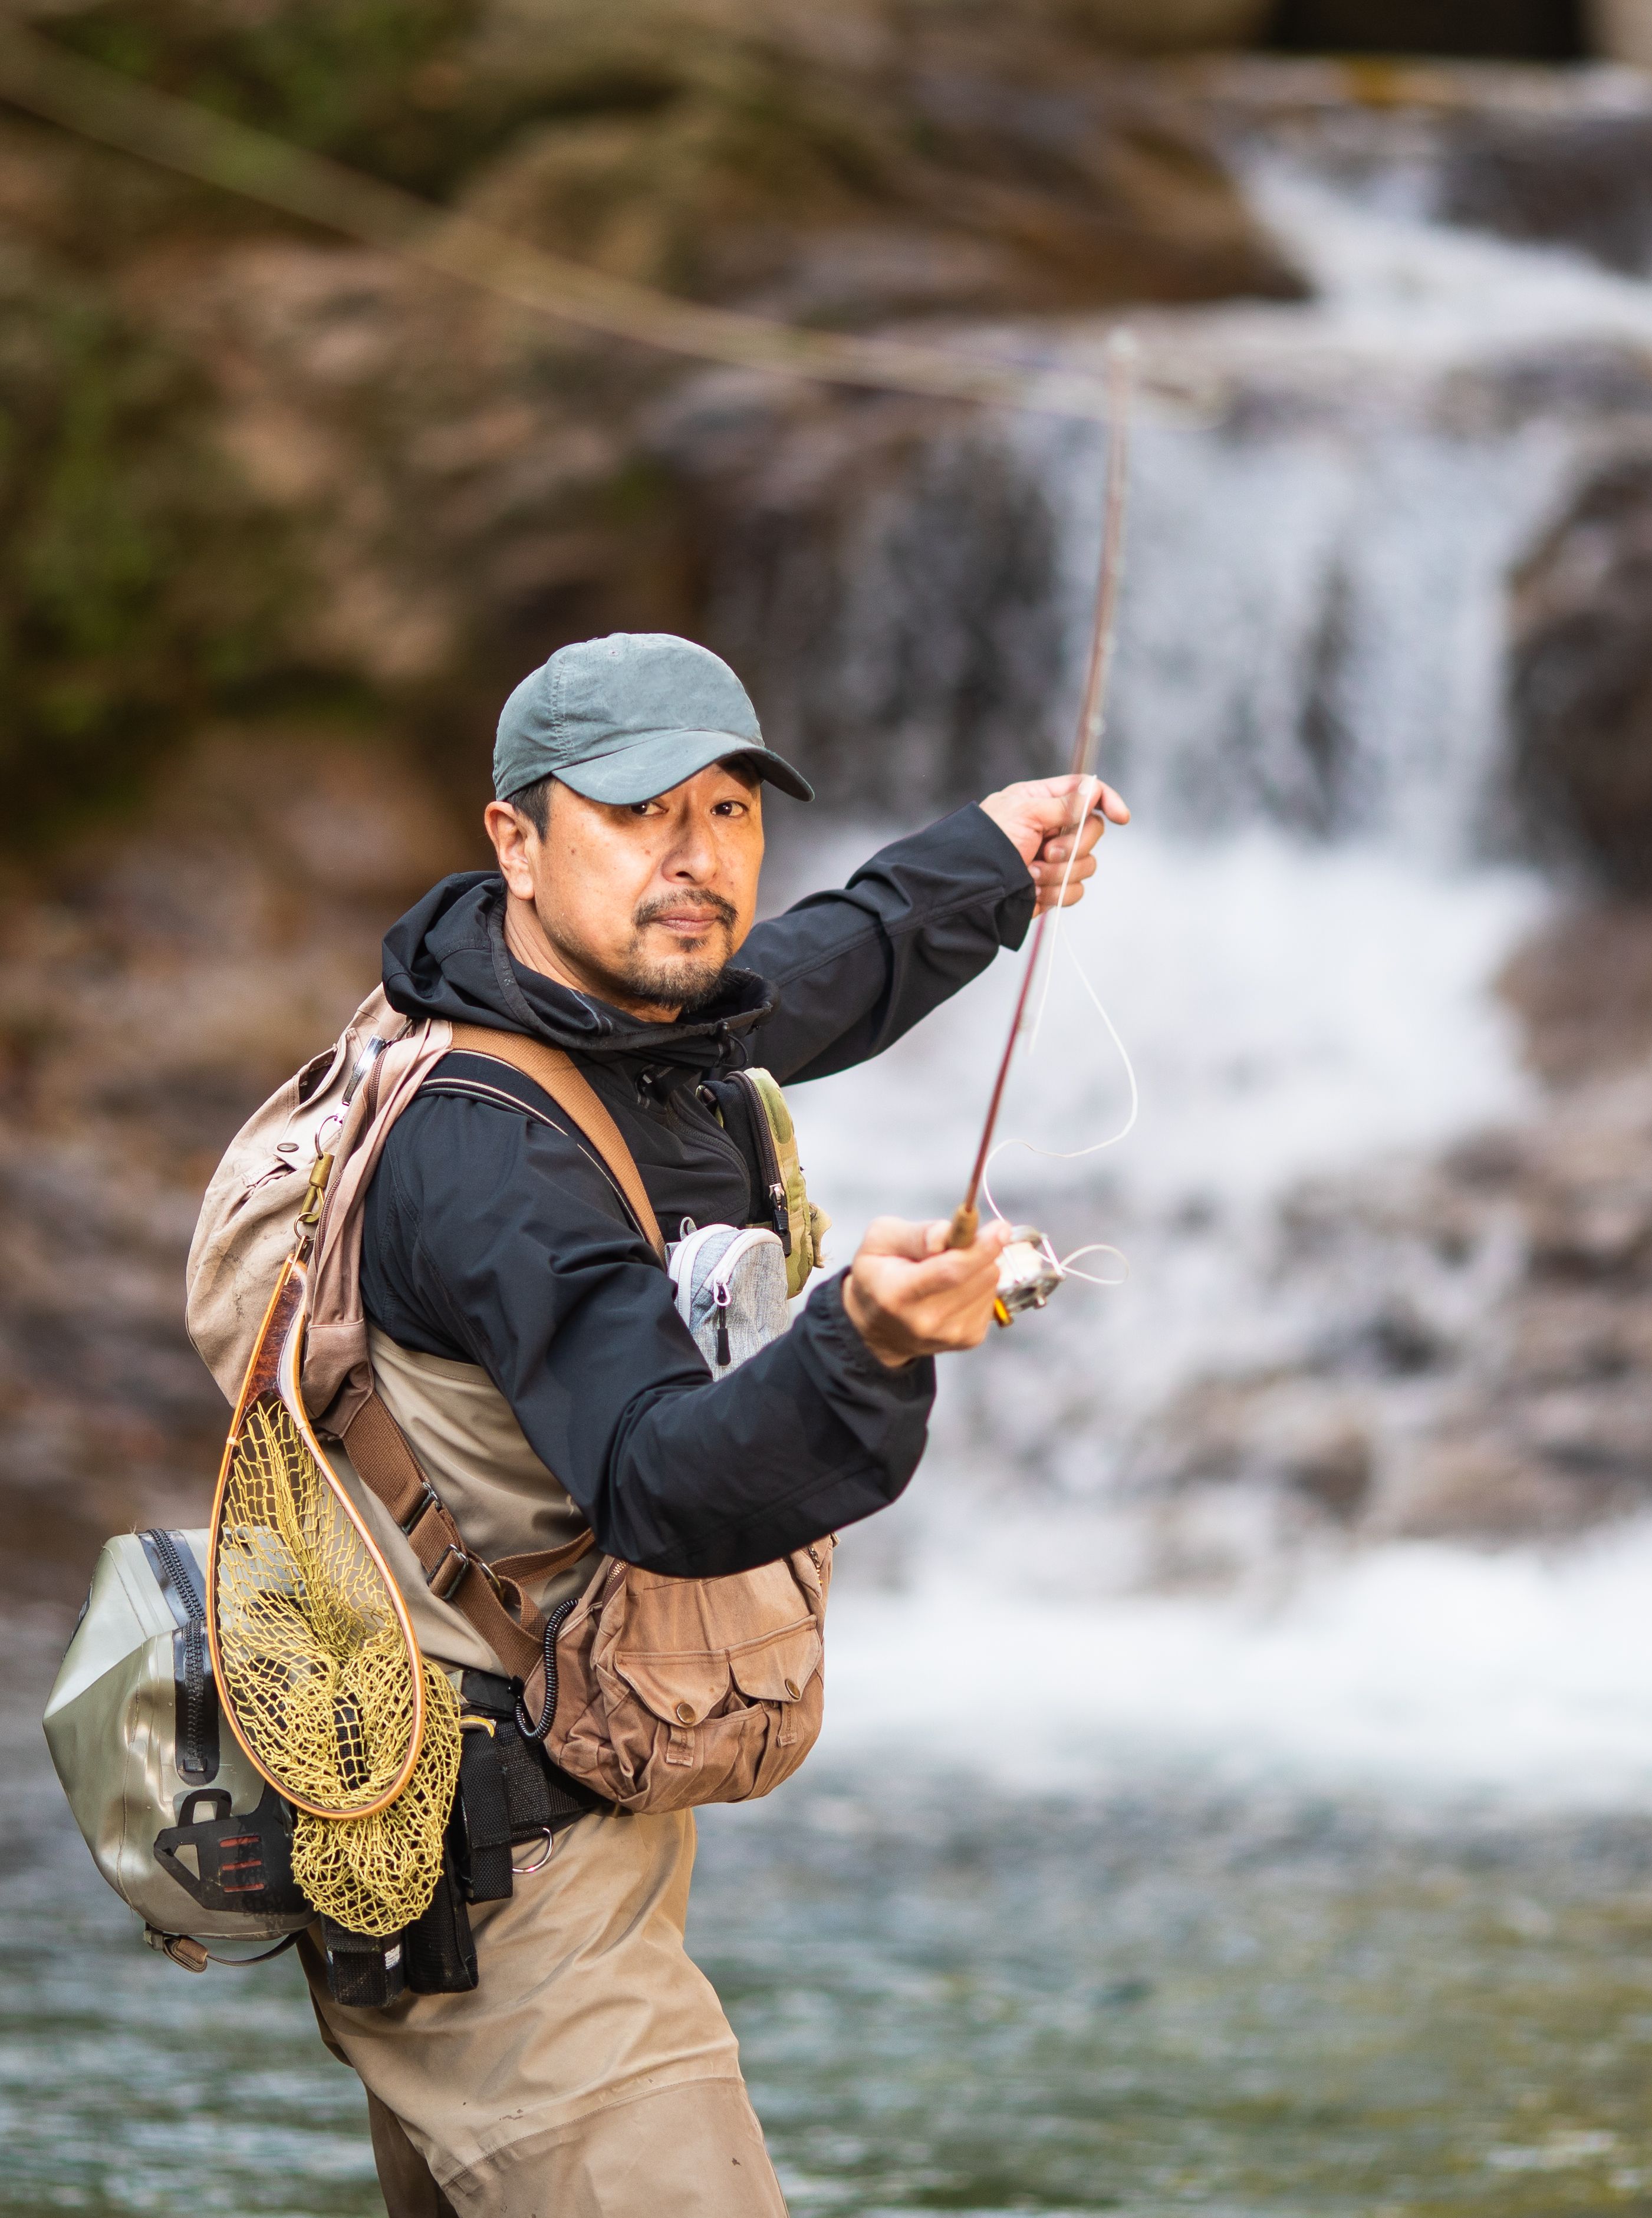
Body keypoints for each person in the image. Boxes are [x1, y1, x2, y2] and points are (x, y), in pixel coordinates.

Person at [315, 631, 1123, 2216]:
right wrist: (861, 1342)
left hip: (486, 1829)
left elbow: (797, 981)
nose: (694, 858)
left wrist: (985, 859)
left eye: (728, 811)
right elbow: (659, 1482)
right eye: (638, 813)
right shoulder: (491, 1158)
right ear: (516, 841)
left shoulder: (586, 1001)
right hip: (509, 1899)